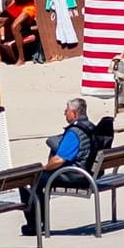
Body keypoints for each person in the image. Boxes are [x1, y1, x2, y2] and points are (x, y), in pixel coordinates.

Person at [24, 98, 102, 236]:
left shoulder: (74, 132)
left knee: (29, 180)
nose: (64, 113)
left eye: (66, 110)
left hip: (74, 175)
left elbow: (59, 159)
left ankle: (35, 224)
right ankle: (39, 221)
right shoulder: (90, 126)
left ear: (74, 113)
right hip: (87, 172)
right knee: (39, 179)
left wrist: (44, 168)